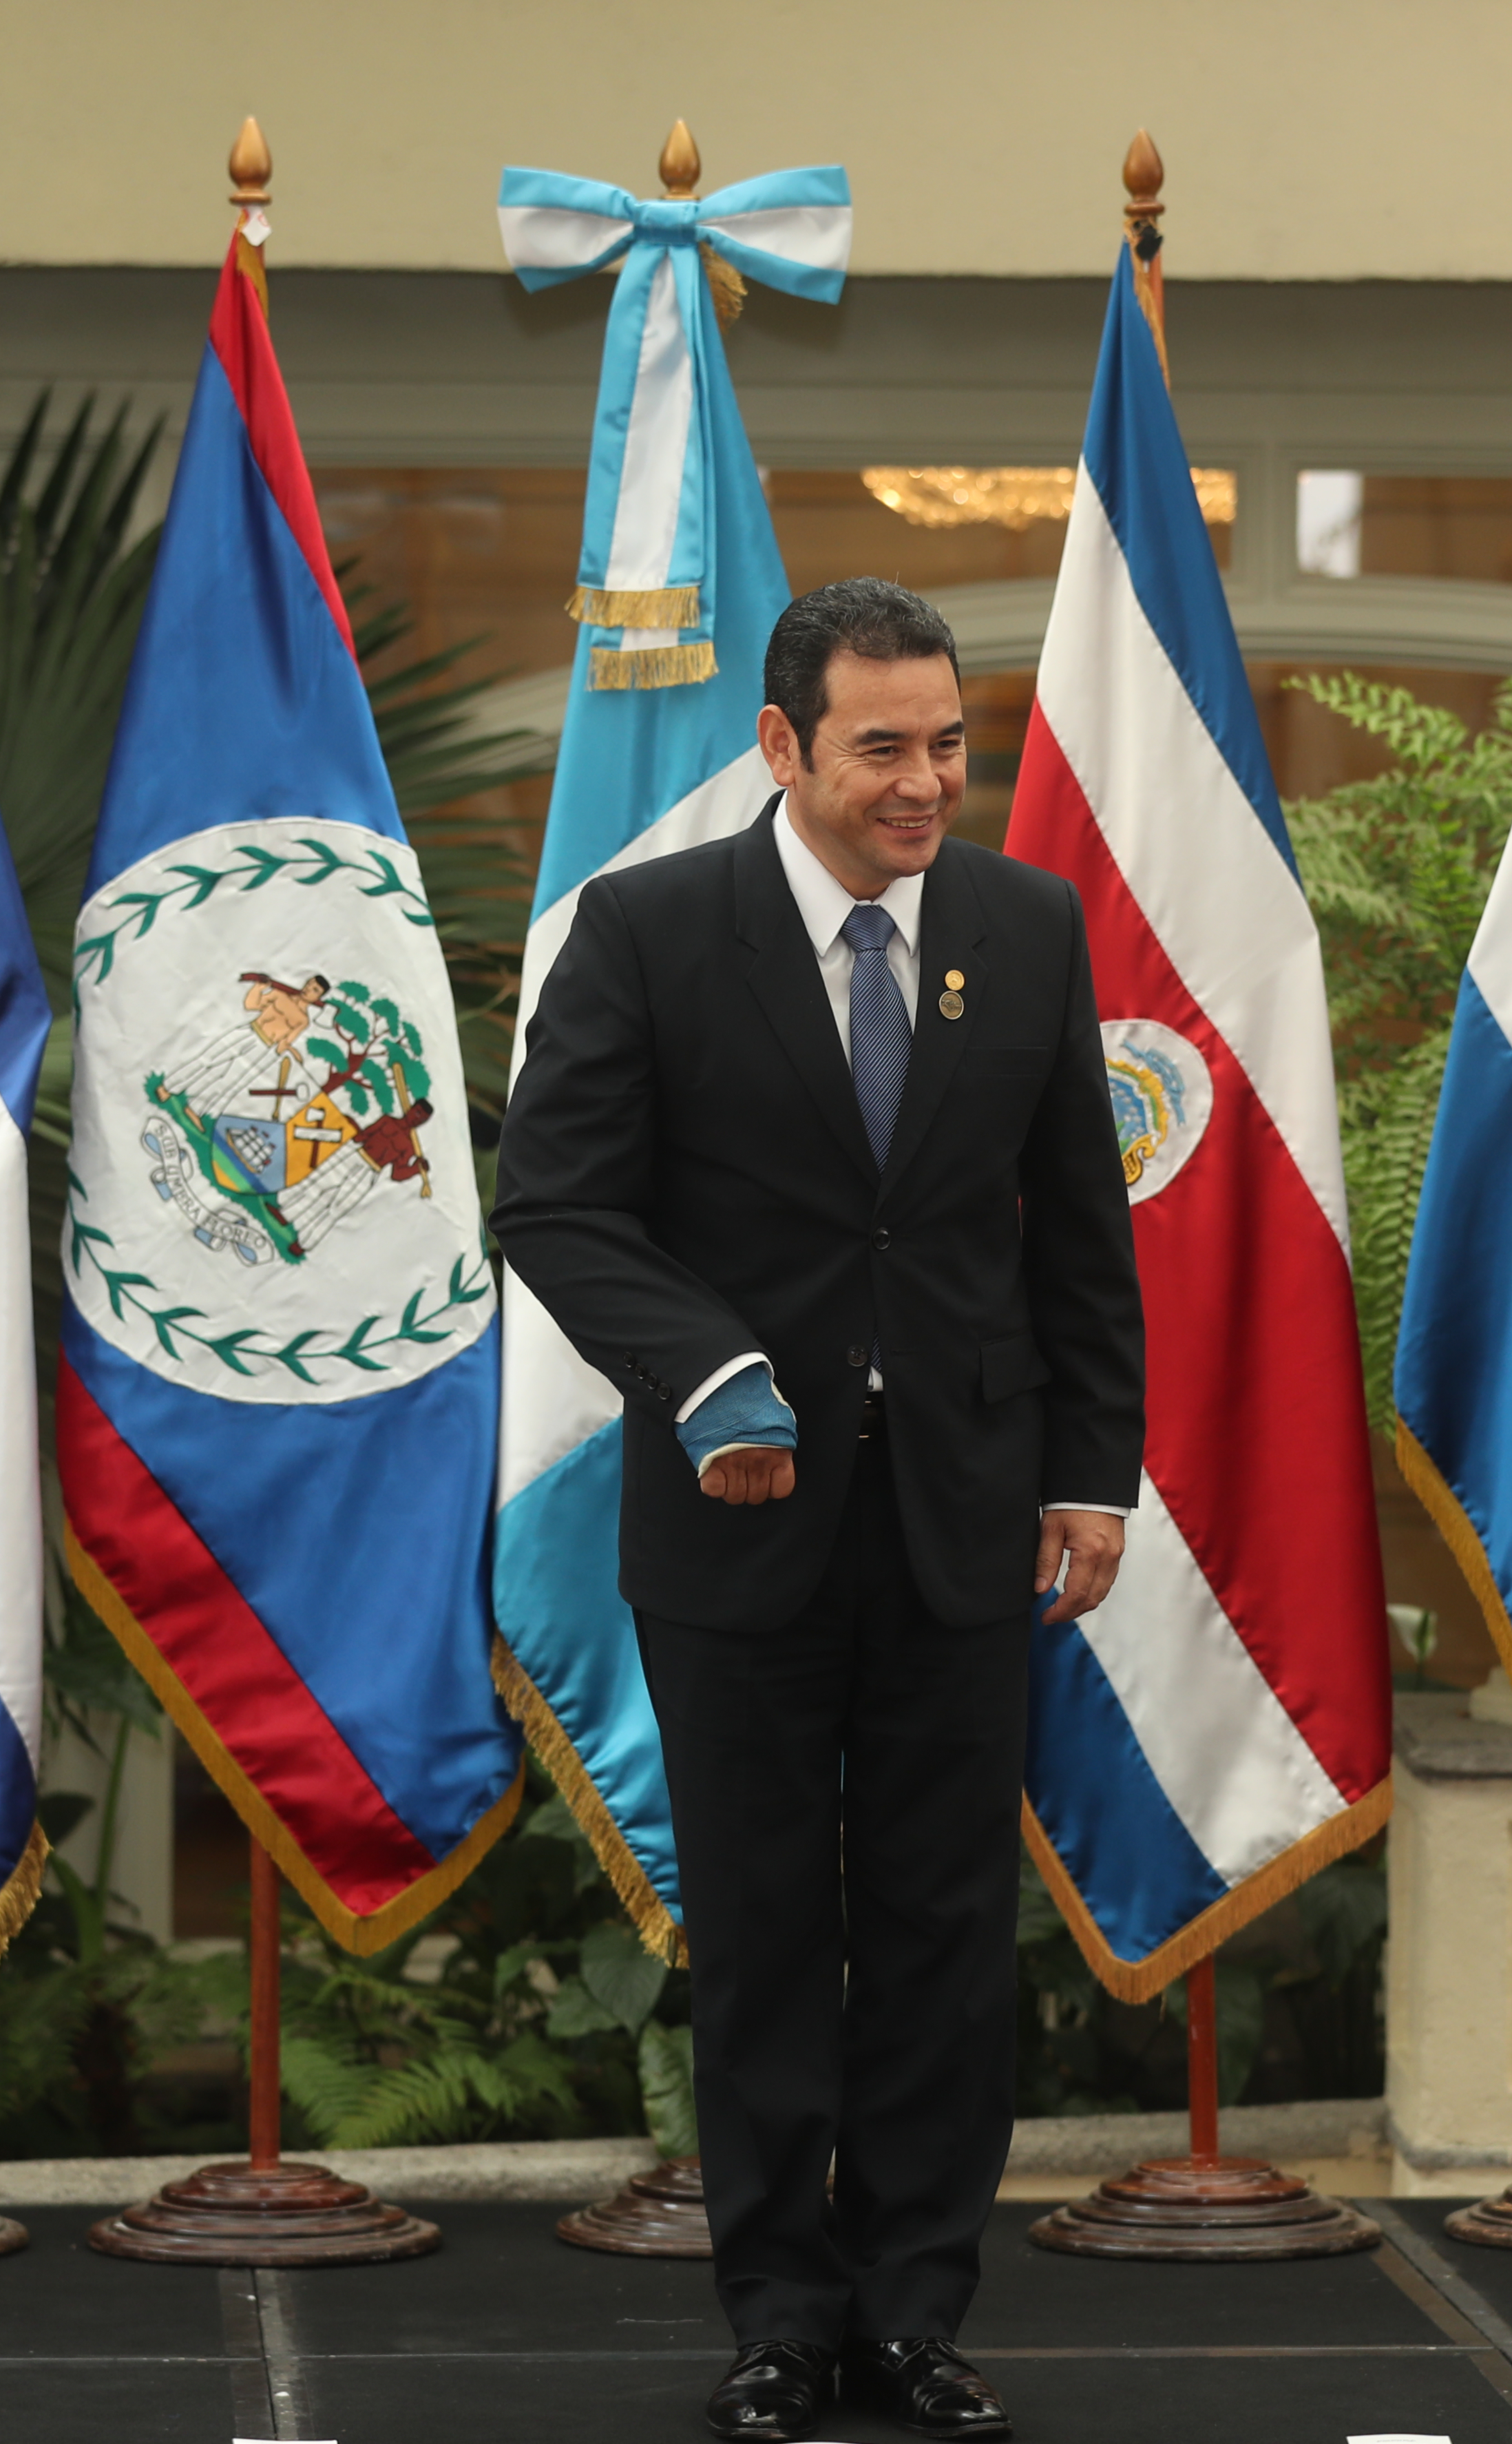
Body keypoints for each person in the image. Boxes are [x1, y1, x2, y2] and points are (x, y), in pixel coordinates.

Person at [494, 578, 1146, 2442]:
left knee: (944, 1940)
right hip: (738, 1526)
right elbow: (554, 1204)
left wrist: (1091, 1471)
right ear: (783, 748)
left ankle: (914, 2320)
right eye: (885, 747)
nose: (928, 780)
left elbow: (1077, 1236)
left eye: (949, 742)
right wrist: (705, 1376)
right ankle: (782, 2319)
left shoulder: (1025, 928)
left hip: (968, 1517)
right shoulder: (645, 930)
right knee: (772, 1934)